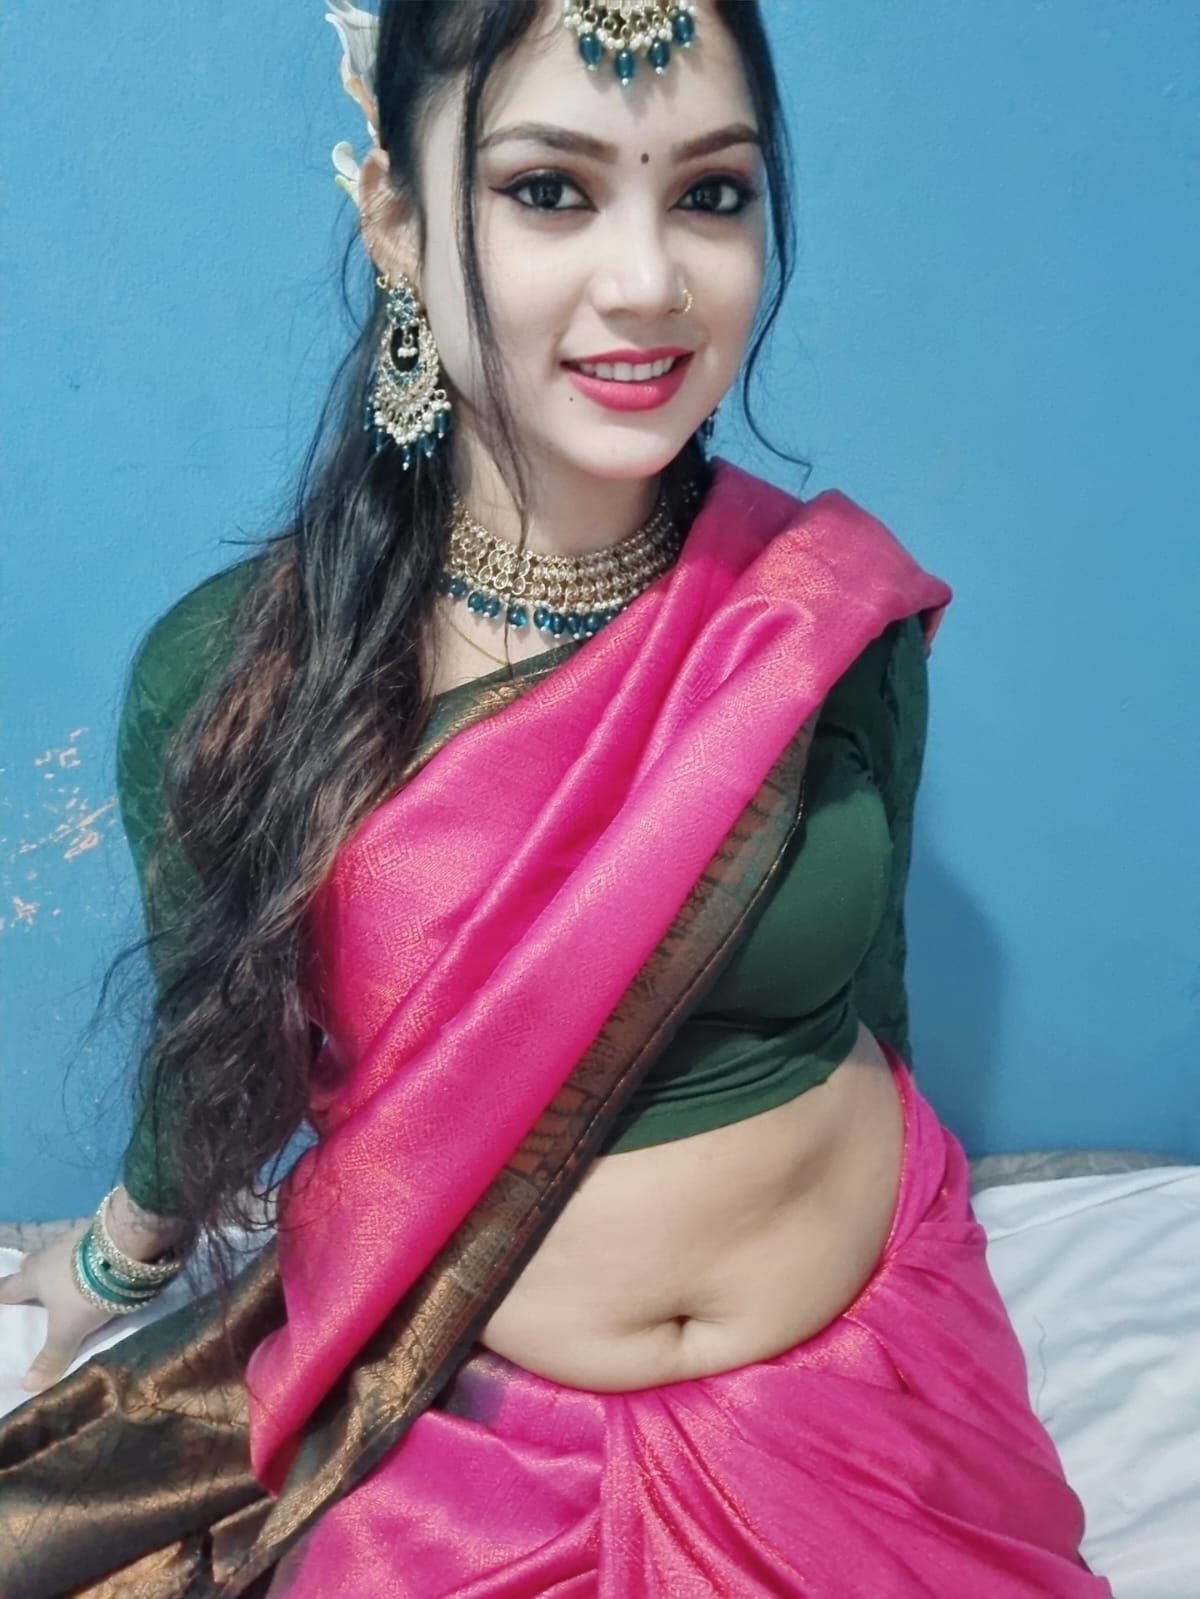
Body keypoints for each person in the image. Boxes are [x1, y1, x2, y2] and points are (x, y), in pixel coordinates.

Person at [0, 2, 1110, 1594]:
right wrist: (114, 1261)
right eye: (549, 190)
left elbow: (874, 1001)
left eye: (711, 193)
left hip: (885, 1404)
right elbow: (211, 1056)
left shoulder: (826, 616)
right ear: (396, 222)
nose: (650, 280)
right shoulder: (240, 686)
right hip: (464, 1451)